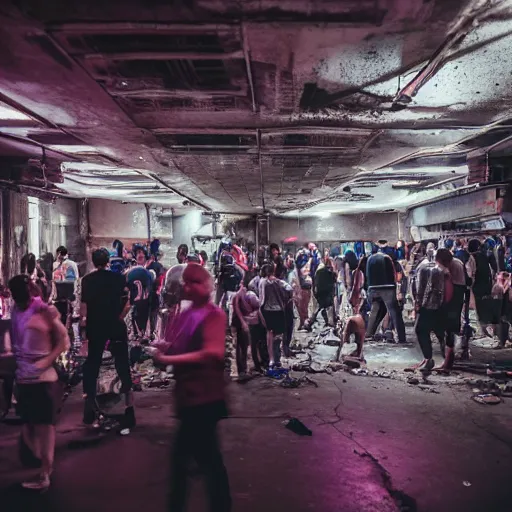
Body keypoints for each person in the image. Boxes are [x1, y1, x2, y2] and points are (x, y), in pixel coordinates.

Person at [152, 263, 231, 512]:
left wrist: (168, 360)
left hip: (204, 400)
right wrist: (163, 348)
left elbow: (212, 353)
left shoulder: (214, 315)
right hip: (188, 399)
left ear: (206, 285)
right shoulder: (185, 314)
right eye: (185, 282)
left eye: (194, 282)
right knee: (198, 463)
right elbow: (178, 346)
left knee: (202, 463)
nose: (187, 287)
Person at [9, 274, 70, 490]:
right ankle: (40, 463)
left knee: (45, 429)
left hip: (43, 380)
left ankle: (45, 474)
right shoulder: (16, 311)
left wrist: (47, 360)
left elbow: (64, 340)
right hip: (24, 378)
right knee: (30, 425)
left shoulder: (43, 310)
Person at [80, 249, 135, 428]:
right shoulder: (118, 278)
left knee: (92, 365)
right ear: (108, 261)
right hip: (114, 325)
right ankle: (129, 409)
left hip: (95, 327)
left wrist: (83, 328)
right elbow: (128, 300)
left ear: (93, 262)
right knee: (123, 365)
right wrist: (119, 317)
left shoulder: (87, 280)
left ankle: (89, 407)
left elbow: (84, 308)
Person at [414, 249, 453, 374]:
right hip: (443, 306)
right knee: (439, 331)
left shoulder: (431, 269)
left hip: (430, 305)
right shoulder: (446, 271)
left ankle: (428, 359)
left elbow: (425, 289)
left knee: (420, 330)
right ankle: (445, 358)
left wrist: (419, 303)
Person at [366, 242, 406, 344]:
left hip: (373, 288)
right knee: (394, 312)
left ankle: (368, 334)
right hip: (388, 288)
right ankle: (401, 337)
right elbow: (394, 276)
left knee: (374, 310)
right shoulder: (389, 259)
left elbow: (367, 276)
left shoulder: (370, 259)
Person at [434, 249, 466, 372]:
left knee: (451, 331)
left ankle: (448, 362)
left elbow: (456, 289)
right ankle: (447, 361)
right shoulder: (449, 264)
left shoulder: (456, 265)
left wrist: (447, 275)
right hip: (449, 301)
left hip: (454, 301)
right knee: (446, 330)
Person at [232, 274, 266, 378]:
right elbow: (237, 308)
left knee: (243, 346)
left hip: (241, 321)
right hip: (242, 322)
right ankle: (242, 371)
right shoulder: (240, 294)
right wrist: (243, 322)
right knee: (242, 346)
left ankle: (243, 370)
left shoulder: (240, 293)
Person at [259, 264, 293, 367]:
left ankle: (271, 359)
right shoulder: (278, 282)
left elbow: (261, 297)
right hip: (278, 310)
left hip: (266, 310)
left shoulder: (262, 282)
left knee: (269, 334)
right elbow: (289, 288)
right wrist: (285, 299)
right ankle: (277, 358)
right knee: (278, 336)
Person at [126, 245, 154, 342]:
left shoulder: (152, 268)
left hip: (148, 305)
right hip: (135, 305)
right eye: (138, 253)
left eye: (142, 252)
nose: (140, 255)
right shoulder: (130, 270)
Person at [466, 239, 493, 337]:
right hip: (486, 287)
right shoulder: (484, 256)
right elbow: (489, 272)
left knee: (477, 310)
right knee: (485, 310)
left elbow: (471, 275)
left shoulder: (471, 258)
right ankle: (487, 330)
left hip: (476, 288)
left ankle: (481, 331)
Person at [51, 246, 80, 330]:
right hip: (69, 293)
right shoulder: (72, 264)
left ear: (59, 253)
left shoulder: (56, 265)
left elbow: (54, 280)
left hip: (61, 295)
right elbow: (77, 278)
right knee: (68, 315)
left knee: (63, 316)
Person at [306, 258, 336, 330]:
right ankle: (330, 324)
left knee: (319, 308)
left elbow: (315, 282)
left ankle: (310, 323)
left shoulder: (319, 270)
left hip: (319, 293)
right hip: (326, 292)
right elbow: (332, 282)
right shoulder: (329, 272)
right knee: (327, 307)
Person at [295, 248, 312, 331]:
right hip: (303, 287)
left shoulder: (303, 265)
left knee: (303, 307)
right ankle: (303, 322)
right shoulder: (302, 265)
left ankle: (305, 322)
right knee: (302, 307)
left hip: (304, 287)